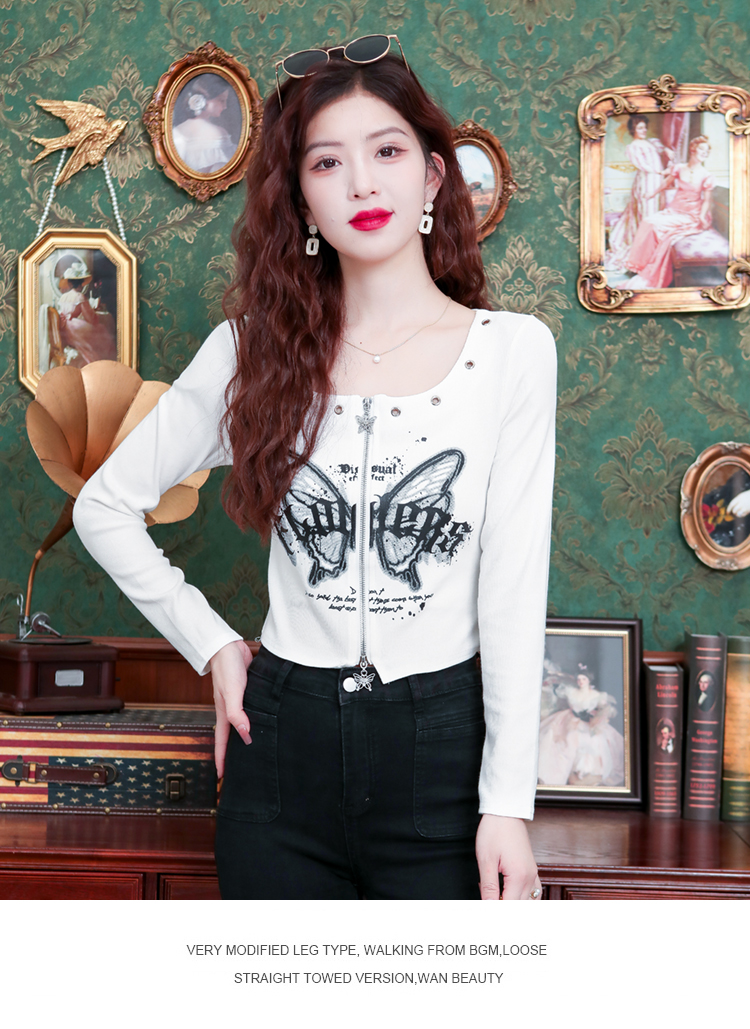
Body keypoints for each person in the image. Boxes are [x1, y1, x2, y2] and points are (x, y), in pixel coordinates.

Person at [73, 37, 557, 900]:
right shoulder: (249, 352)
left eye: (387, 152)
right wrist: (214, 646)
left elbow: (514, 591)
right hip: (278, 753)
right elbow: (103, 505)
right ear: (300, 199)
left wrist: (507, 805)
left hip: (443, 756)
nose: (362, 184)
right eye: (327, 162)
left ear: (433, 178)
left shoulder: (513, 352)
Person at [626, 135, 715, 289]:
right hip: (674, 210)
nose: (704, 153)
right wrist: (652, 194)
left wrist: (701, 216)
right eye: (701, 149)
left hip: (692, 215)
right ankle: (638, 265)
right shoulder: (679, 168)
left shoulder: (707, 175)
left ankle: (649, 268)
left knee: (656, 226)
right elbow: (665, 183)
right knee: (647, 222)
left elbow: (707, 200)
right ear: (693, 149)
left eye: (707, 151)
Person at [537, 667, 624, 787]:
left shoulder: (596, 695)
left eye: (584, 679)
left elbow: (604, 710)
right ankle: (564, 774)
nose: (581, 681)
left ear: (589, 680)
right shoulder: (571, 691)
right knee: (565, 739)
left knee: (594, 741)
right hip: (570, 720)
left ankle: (585, 773)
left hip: (589, 723)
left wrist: (598, 719)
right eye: (579, 679)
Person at [606, 115, 672, 271]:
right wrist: (661, 172)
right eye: (640, 128)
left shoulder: (650, 142)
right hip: (646, 182)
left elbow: (661, 148)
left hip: (657, 181)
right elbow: (642, 165)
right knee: (647, 215)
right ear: (633, 129)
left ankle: (654, 251)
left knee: (656, 213)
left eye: (645, 127)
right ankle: (643, 254)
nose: (644, 130)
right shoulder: (633, 147)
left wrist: (667, 150)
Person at [55, 259, 117, 365]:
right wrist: (93, 311)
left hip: (64, 329)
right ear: (82, 283)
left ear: (70, 283)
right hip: (74, 330)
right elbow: (91, 319)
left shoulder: (63, 297)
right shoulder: (80, 297)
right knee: (103, 331)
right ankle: (106, 362)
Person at [172, 74, 237, 173]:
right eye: (221, 100)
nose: (225, 106)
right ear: (204, 100)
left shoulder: (176, 131)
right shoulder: (218, 133)